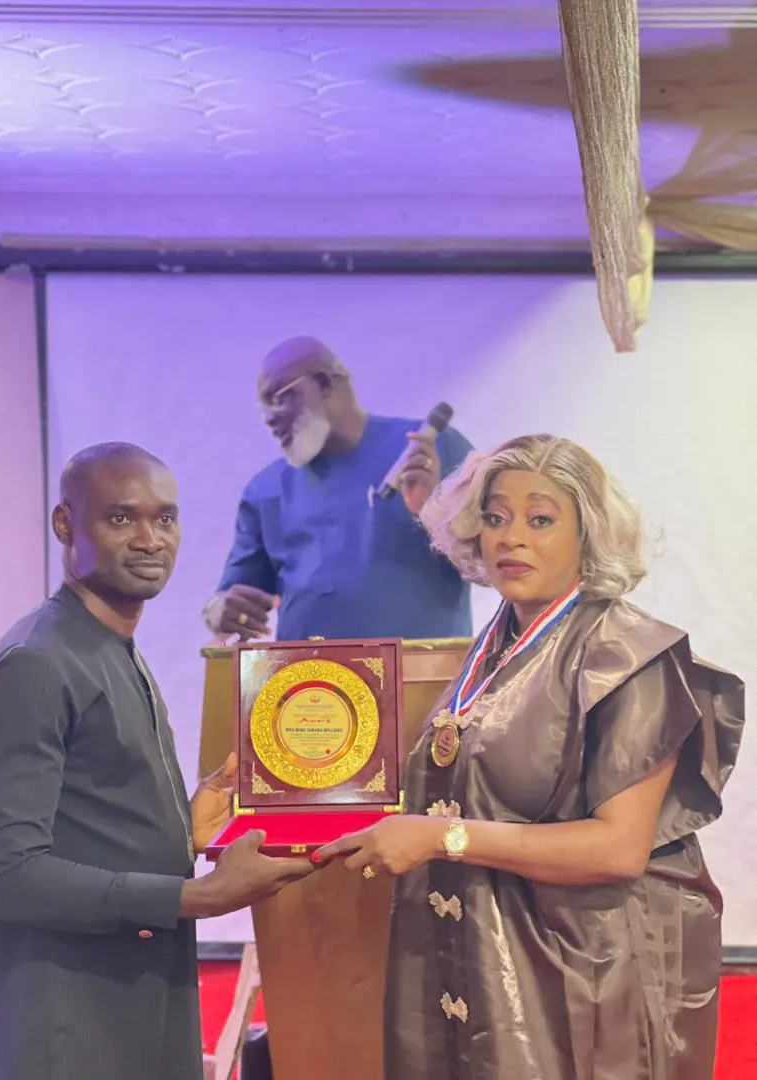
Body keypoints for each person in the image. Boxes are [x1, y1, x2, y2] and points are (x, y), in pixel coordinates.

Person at [314, 434, 745, 1080]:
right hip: (487, 952)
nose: (511, 537)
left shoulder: (628, 655)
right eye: (495, 518)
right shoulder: (496, 644)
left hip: (594, 973)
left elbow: (618, 849)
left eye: (540, 520)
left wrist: (440, 837)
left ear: (587, 534)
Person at [0, 442, 313, 1080]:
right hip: (66, 1037)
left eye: (165, 518)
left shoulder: (110, 646)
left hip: (128, 1012)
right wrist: (195, 896)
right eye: (121, 517)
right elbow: (8, 878)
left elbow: (88, 823)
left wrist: (184, 827)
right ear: (65, 524)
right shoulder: (36, 664)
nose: (150, 540)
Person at [202, 336, 474, 642]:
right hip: (309, 673)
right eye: (262, 409)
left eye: (277, 399)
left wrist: (434, 509)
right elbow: (233, 595)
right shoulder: (265, 491)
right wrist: (216, 610)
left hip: (426, 669)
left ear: (323, 383)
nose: (268, 418)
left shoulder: (430, 450)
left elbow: (490, 558)